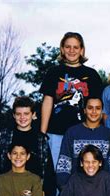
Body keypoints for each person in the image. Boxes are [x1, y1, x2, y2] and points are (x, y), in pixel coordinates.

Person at [40, 32, 103, 169]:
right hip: (56, 131)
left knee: (83, 170)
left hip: (83, 132)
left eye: (75, 47)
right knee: (59, 171)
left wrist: (95, 131)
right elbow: (47, 101)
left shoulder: (92, 75)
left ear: (81, 50)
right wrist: (42, 133)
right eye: (68, 47)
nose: (72, 50)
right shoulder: (54, 72)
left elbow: (97, 107)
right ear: (62, 49)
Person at [56, 97, 110, 189]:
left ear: (102, 111)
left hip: (102, 189)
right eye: (90, 108)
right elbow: (64, 162)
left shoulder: (109, 134)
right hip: (76, 188)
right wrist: (65, 188)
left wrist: (108, 187)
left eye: (97, 108)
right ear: (84, 110)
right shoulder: (72, 132)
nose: (94, 112)